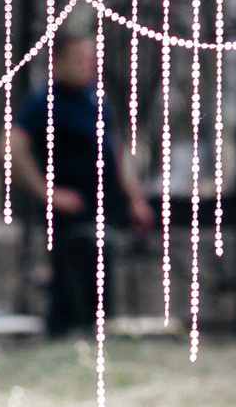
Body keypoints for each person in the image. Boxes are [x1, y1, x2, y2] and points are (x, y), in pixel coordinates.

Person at [12, 27, 153, 336]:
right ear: (56, 62)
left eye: (89, 58)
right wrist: (48, 193)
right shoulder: (44, 101)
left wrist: (135, 199)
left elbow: (116, 151)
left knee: (101, 285)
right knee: (71, 285)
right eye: (78, 59)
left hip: (106, 209)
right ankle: (63, 339)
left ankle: (94, 342)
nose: (86, 65)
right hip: (70, 216)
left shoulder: (97, 98)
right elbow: (10, 148)